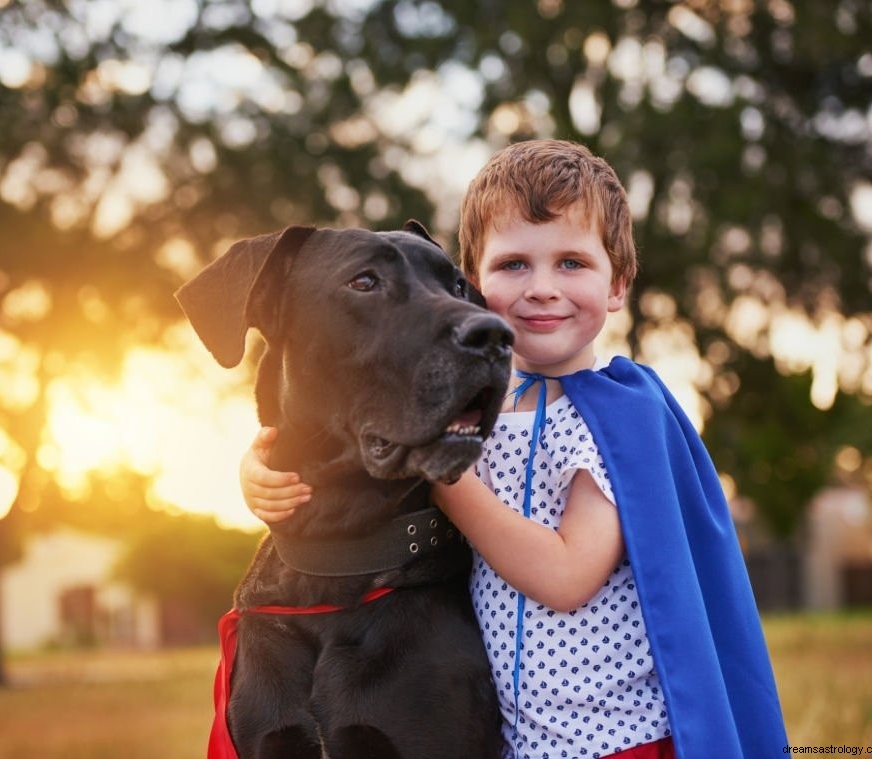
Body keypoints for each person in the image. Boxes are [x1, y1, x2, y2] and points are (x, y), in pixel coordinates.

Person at [240, 139, 788, 759]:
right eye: (514, 266)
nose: (543, 289)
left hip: (612, 736)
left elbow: (565, 576)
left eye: (573, 264)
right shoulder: (479, 411)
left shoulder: (614, 419)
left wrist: (442, 469)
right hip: (521, 737)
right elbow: (357, 458)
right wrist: (259, 471)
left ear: (619, 284)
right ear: (472, 286)